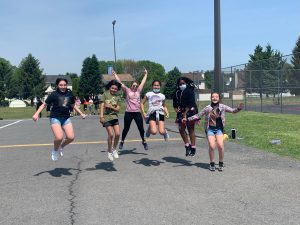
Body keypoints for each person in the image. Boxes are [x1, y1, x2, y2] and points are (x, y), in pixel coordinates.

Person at [187, 92, 244, 171]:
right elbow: (198, 115)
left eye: (216, 97)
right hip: (210, 129)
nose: (214, 98)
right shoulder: (207, 108)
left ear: (219, 98)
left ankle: (221, 162)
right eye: (213, 97)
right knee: (212, 146)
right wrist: (188, 119)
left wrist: (239, 108)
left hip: (219, 129)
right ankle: (212, 163)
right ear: (211, 98)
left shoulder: (222, 107)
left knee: (220, 146)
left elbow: (232, 110)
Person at [32, 78, 86, 161]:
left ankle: (61, 146)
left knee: (71, 137)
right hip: (55, 117)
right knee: (59, 137)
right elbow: (44, 105)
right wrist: (36, 114)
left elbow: (72, 105)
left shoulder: (69, 94)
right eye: (61, 85)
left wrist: (81, 113)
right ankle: (55, 150)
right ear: (57, 85)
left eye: (64, 85)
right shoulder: (54, 94)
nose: (63, 87)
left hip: (66, 117)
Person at [113, 69, 148, 150]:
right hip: (128, 113)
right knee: (126, 128)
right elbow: (120, 82)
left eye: (136, 85)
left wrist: (146, 74)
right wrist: (115, 74)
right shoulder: (127, 90)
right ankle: (122, 141)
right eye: (134, 85)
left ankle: (144, 141)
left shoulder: (138, 91)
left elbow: (143, 82)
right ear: (131, 85)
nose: (135, 87)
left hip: (137, 113)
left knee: (141, 128)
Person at [173, 77, 198, 157]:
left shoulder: (190, 91)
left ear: (186, 83)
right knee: (181, 128)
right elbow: (175, 105)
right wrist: (178, 112)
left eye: (183, 83)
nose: (182, 85)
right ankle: (187, 145)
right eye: (180, 84)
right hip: (181, 111)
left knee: (190, 129)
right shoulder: (177, 93)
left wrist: (185, 114)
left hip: (190, 110)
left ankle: (193, 147)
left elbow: (191, 103)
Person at [100, 79, 122, 161]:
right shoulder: (105, 94)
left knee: (118, 134)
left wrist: (111, 107)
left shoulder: (117, 97)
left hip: (114, 117)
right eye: (112, 88)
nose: (114, 90)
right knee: (111, 134)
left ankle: (114, 149)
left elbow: (118, 109)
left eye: (116, 89)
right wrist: (101, 117)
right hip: (106, 117)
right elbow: (102, 106)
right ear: (109, 87)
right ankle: (109, 151)